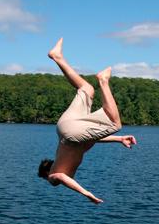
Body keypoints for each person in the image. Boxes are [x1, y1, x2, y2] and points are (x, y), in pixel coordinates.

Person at [38, 38, 137, 204]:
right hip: (66, 126)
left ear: (47, 174)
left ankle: (103, 81)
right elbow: (93, 137)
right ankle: (57, 57)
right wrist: (119, 139)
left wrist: (86, 193)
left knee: (115, 124)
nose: (49, 181)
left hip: (71, 133)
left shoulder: (53, 177)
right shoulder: (70, 155)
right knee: (86, 89)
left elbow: (60, 177)